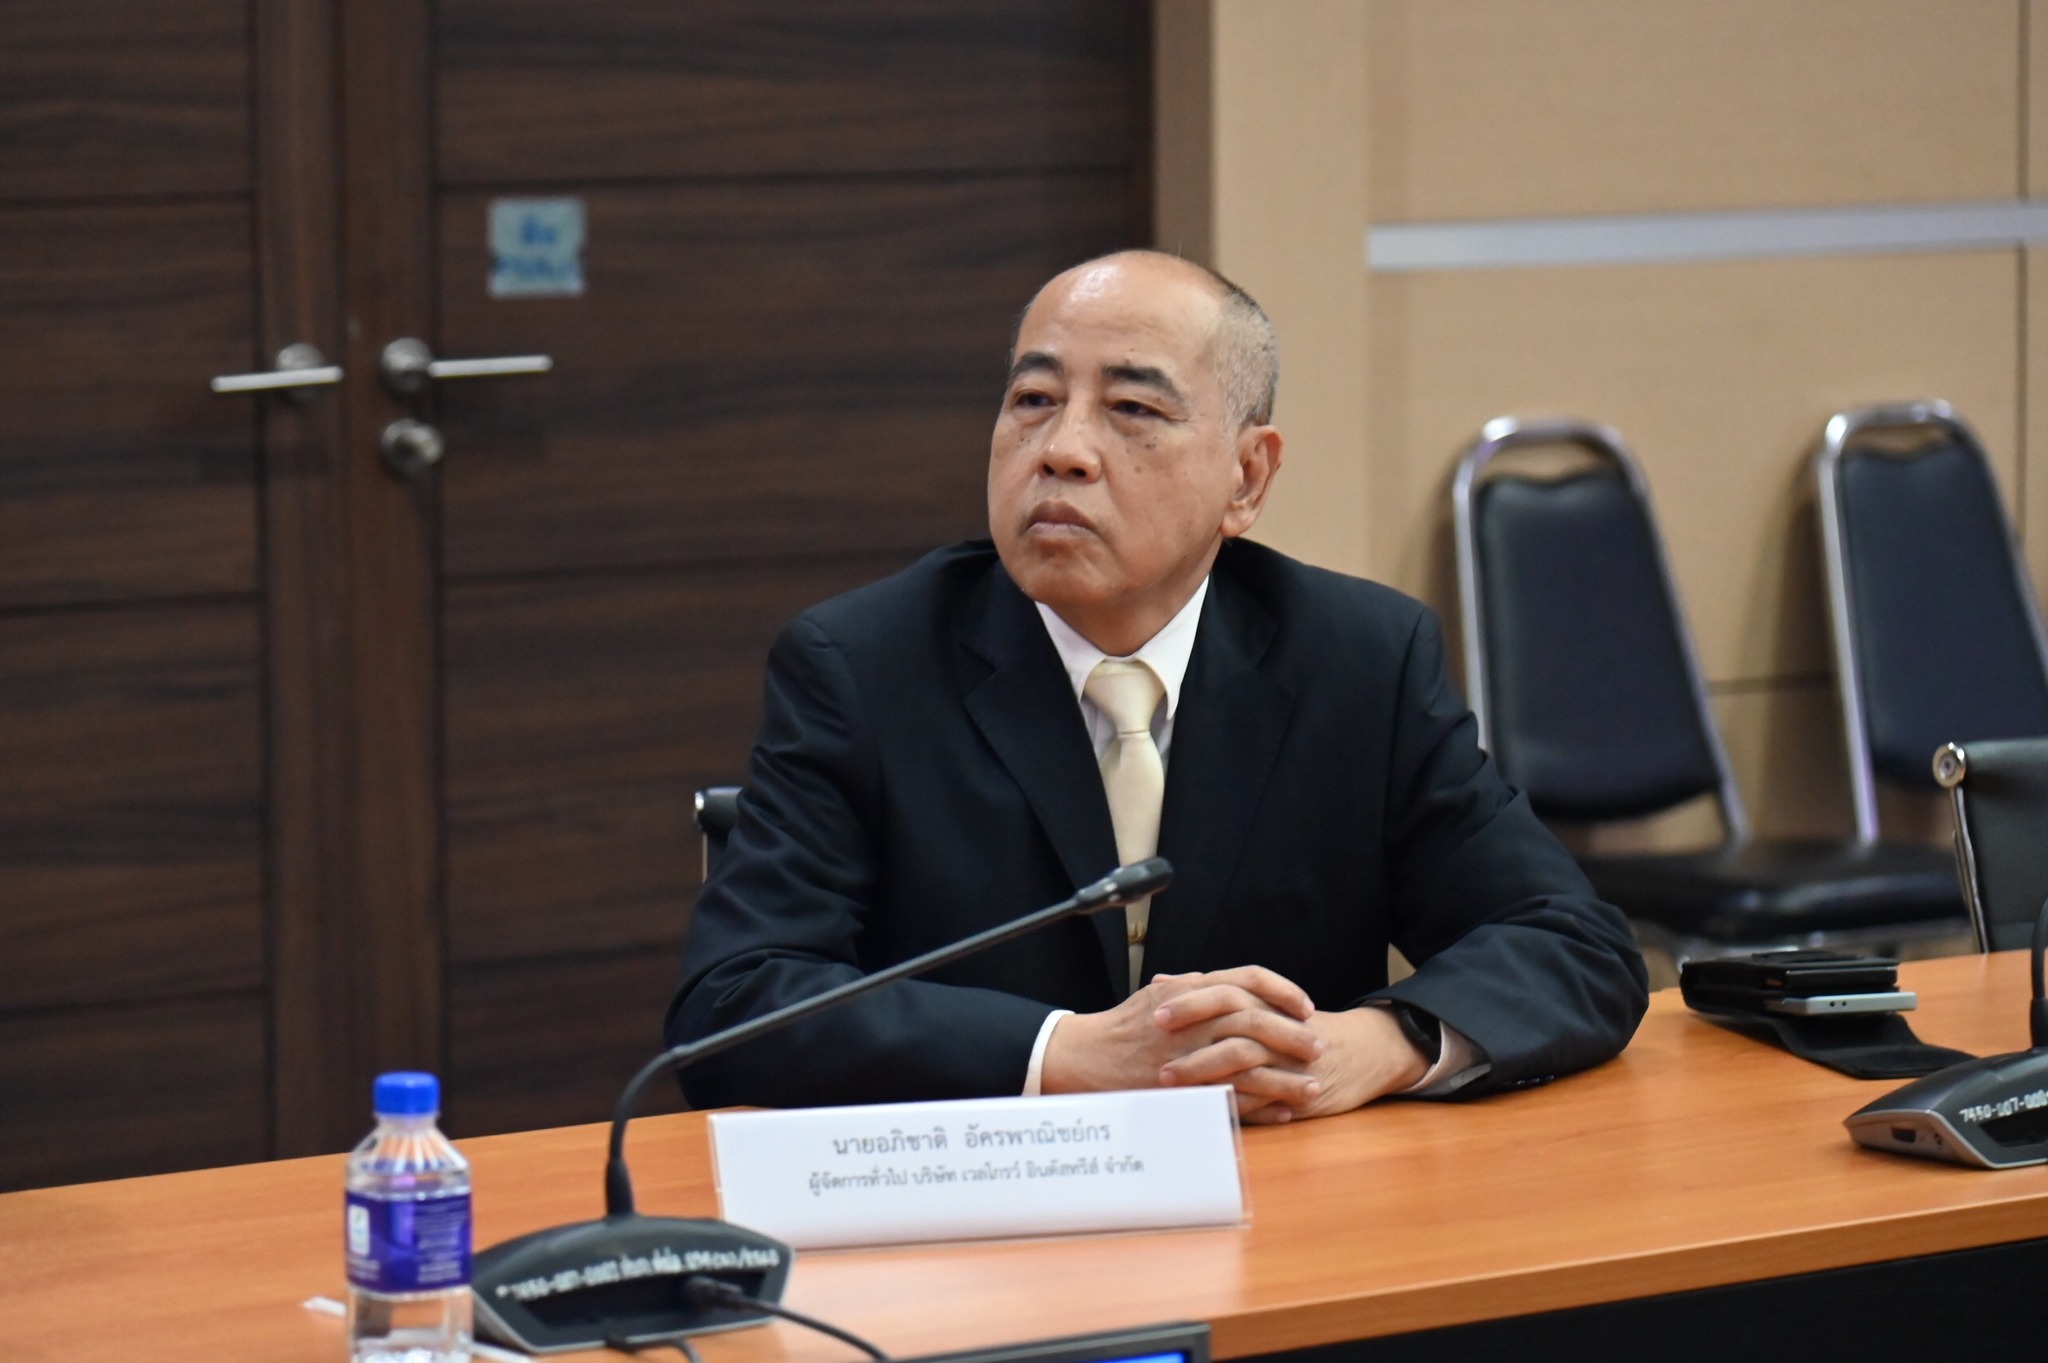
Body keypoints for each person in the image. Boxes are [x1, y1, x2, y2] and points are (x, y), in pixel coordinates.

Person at [666, 250, 1647, 1122]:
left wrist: (1371, 1045)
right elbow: (733, 1002)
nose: (1062, 449)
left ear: (1246, 477)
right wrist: (1064, 1053)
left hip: (1287, 1205)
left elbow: (1572, 944)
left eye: (1131, 409)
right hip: (979, 1201)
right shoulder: (863, 664)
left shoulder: (1356, 659)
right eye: (1032, 399)